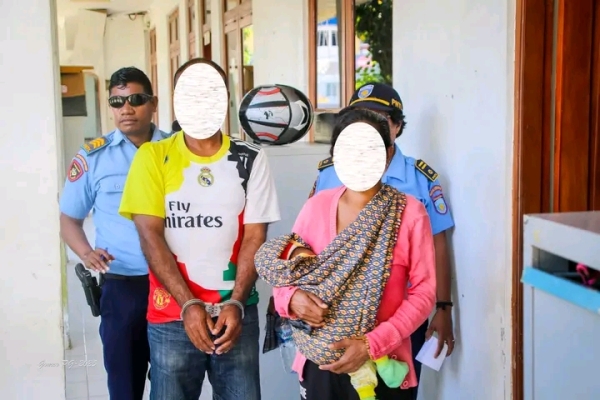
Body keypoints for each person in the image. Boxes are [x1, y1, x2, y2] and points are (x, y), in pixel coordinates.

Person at [118, 60, 280, 400]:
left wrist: (235, 302)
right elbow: (150, 235)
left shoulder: (250, 158)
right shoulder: (152, 156)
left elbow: (255, 236)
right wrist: (188, 304)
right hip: (171, 316)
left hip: (235, 315)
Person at [264, 108, 436, 400]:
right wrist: (291, 299)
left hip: (384, 362)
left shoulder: (409, 213)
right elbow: (285, 271)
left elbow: (424, 292)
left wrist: (372, 344)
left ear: (387, 154)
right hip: (320, 361)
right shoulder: (316, 208)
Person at [311, 83, 456, 398]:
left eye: (378, 118)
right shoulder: (330, 174)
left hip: (400, 318)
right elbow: (307, 244)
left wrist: (443, 307)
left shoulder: (418, 179)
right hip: (335, 316)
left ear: (397, 126)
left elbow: (438, 246)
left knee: (393, 389)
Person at [59, 67, 170, 400]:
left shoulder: (177, 151)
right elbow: (69, 219)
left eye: (136, 99)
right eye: (117, 101)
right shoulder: (94, 157)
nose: (126, 108)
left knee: (173, 383)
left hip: (173, 284)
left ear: (153, 103)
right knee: (124, 385)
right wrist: (86, 253)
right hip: (122, 287)